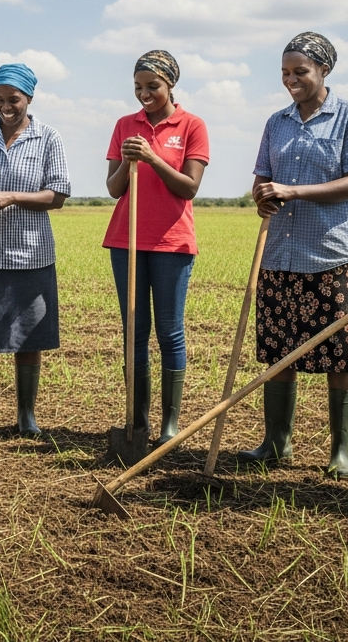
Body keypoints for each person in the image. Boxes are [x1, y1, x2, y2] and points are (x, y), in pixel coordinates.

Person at [236, 32, 348, 478]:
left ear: (324, 70)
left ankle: (341, 451)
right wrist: (262, 196)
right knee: (279, 354)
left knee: (340, 355)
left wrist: (293, 191)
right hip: (279, 255)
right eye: (284, 72)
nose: (290, 79)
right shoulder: (276, 122)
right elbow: (262, 179)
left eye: (300, 71)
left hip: (331, 257)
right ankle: (277, 444)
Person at [0, 63, 70, 438]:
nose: (6, 106)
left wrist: (12, 197)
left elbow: (58, 195)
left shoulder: (47, 137)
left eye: (13, 99)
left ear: (29, 98)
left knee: (29, 336)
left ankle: (26, 415)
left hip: (31, 253)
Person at [103, 50, 209, 445]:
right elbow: (113, 188)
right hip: (126, 240)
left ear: (170, 84)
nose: (144, 94)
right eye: (138, 87)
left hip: (171, 242)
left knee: (169, 331)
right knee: (134, 332)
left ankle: (169, 424)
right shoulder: (124, 125)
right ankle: (137, 421)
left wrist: (152, 158)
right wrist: (126, 162)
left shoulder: (192, 125)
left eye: (153, 86)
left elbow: (189, 187)